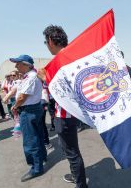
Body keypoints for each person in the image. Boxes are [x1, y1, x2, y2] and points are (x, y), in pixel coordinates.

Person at [38, 25, 88, 188]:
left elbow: (63, 89)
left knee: (72, 152)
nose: (46, 45)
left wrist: (45, 79)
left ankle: (80, 184)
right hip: (71, 114)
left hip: (65, 114)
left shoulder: (60, 60)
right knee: (71, 150)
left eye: (46, 41)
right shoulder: (72, 58)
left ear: (51, 41)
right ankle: (76, 176)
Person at [10, 55, 47, 182]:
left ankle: (36, 168)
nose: (16, 66)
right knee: (37, 135)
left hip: (29, 110)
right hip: (33, 108)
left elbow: (22, 97)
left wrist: (15, 106)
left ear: (26, 65)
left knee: (31, 140)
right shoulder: (30, 76)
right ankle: (41, 158)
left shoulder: (30, 77)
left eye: (18, 63)